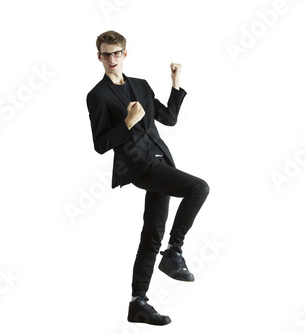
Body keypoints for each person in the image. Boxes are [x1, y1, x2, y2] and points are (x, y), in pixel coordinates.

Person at [86, 30, 209, 326]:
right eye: (106, 54)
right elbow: (101, 144)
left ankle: (138, 303)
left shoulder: (141, 86)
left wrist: (175, 84)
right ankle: (175, 251)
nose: (111, 59)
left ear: (125, 54)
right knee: (199, 188)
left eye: (116, 53)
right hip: (140, 167)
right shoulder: (97, 96)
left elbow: (168, 118)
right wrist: (128, 123)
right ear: (98, 56)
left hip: (161, 160)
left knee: (151, 234)